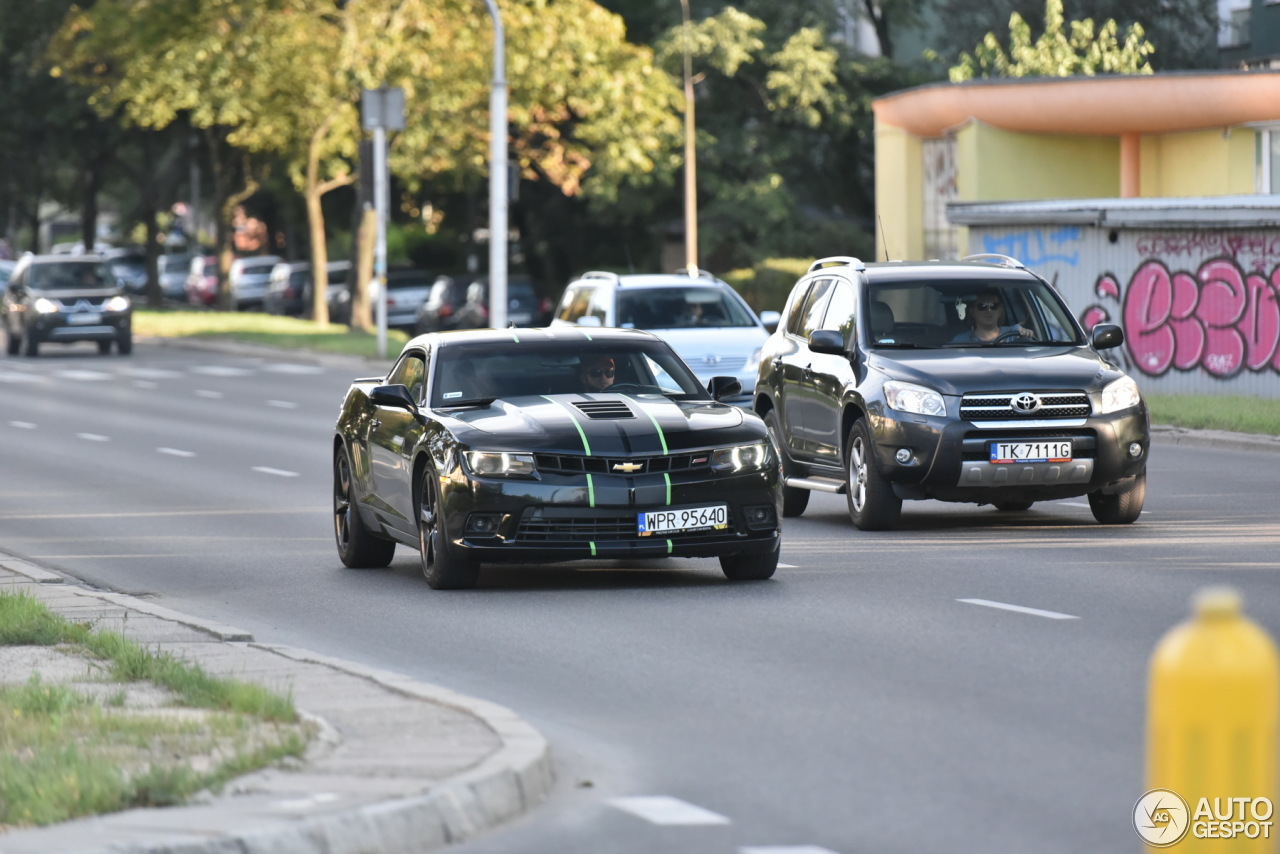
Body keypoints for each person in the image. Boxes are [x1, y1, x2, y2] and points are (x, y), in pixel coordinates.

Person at [952, 290, 1035, 343]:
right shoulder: (960, 341)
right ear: (973, 312)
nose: (989, 310)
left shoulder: (1015, 333)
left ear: (1000, 311)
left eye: (993, 306)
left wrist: (1027, 335)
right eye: (982, 306)